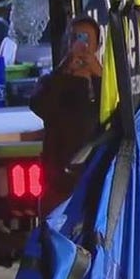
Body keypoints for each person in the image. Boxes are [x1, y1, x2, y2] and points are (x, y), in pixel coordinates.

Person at [29, 16, 104, 214]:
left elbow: (119, 110)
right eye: (75, 38)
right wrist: (65, 71)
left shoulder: (104, 82)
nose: (81, 45)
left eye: (86, 39)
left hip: (97, 179)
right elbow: (39, 105)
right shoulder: (52, 81)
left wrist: (97, 73)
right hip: (59, 181)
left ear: (97, 45)